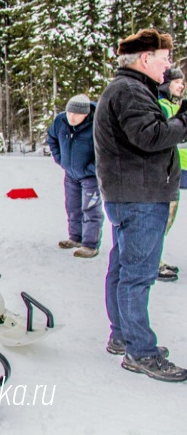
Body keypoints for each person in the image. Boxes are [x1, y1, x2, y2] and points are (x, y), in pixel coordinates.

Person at [95, 28, 187, 382]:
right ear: (145, 59)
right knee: (137, 276)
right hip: (140, 195)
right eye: (164, 59)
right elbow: (150, 137)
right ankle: (140, 351)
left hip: (131, 193)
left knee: (123, 268)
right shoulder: (130, 90)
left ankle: (123, 336)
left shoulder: (129, 88)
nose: (168, 66)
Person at [47, 94, 103, 258]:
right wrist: (60, 159)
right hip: (70, 174)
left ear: (86, 114)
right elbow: (52, 138)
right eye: (70, 112)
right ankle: (75, 237)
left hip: (90, 176)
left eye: (77, 114)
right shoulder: (61, 121)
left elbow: (106, 151)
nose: (72, 116)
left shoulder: (97, 124)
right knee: (73, 207)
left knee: (90, 209)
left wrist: (92, 168)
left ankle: (90, 244)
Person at [156, 66, 186, 281]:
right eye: (177, 82)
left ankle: (155, 259)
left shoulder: (174, 105)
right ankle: (153, 263)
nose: (181, 86)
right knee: (162, 219)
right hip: (165, 172)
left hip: (176, 170)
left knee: (169, 218)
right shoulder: (162, 106)